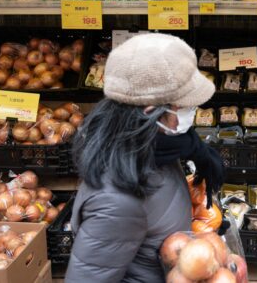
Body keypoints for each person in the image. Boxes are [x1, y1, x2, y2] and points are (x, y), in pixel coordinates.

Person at [65, 33, 225, 283]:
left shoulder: (153, 149)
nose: (193, 111)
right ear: (151, 112)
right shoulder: (116, 200)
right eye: (185, 106)